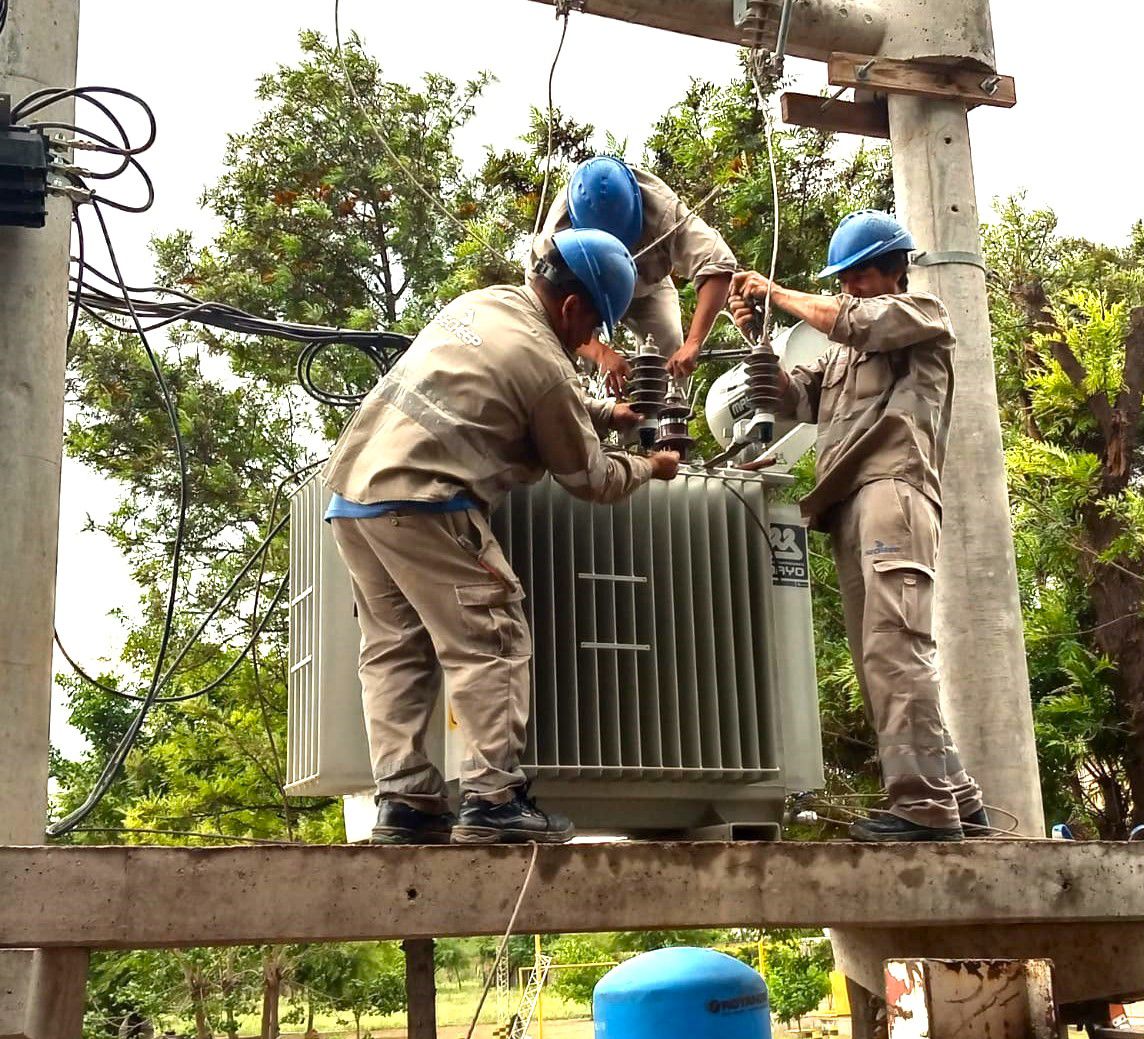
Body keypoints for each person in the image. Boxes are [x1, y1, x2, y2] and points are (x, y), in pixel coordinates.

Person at [323, 227, 681, 846]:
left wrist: (603, 415)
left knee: (394, 651)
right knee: (492, 635)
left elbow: (511, 388)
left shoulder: (483, 304)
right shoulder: (543, 362)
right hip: (426, 500)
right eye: (593, 323)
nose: (589, 338)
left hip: (355, 497)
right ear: (572, 306)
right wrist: (651, 466)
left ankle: (406, 801)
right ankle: (494, 800)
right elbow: (588, 477)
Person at [728, 210, 988, 843]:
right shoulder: (846, 352)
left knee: (894, 647)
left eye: (861, 275)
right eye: (844, 279)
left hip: (893, 488)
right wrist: (756, 340)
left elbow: (857, 322)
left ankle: (923, 807)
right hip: (848, 502)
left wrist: (775, 292)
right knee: (880, 655)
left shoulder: (919, 314)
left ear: (896, 271)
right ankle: (957, 797)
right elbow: (796, 398)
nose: (851, 288)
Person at [529, 156, 737, 386]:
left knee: (667, 342)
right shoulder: (554, 236)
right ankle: (579, 415)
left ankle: (665, 417)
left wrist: (693, 343)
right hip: (585, 299)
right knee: (566, 361)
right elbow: (545, 309)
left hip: (647, 290)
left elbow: (718, 263)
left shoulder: (662, 209)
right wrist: (601, 353)